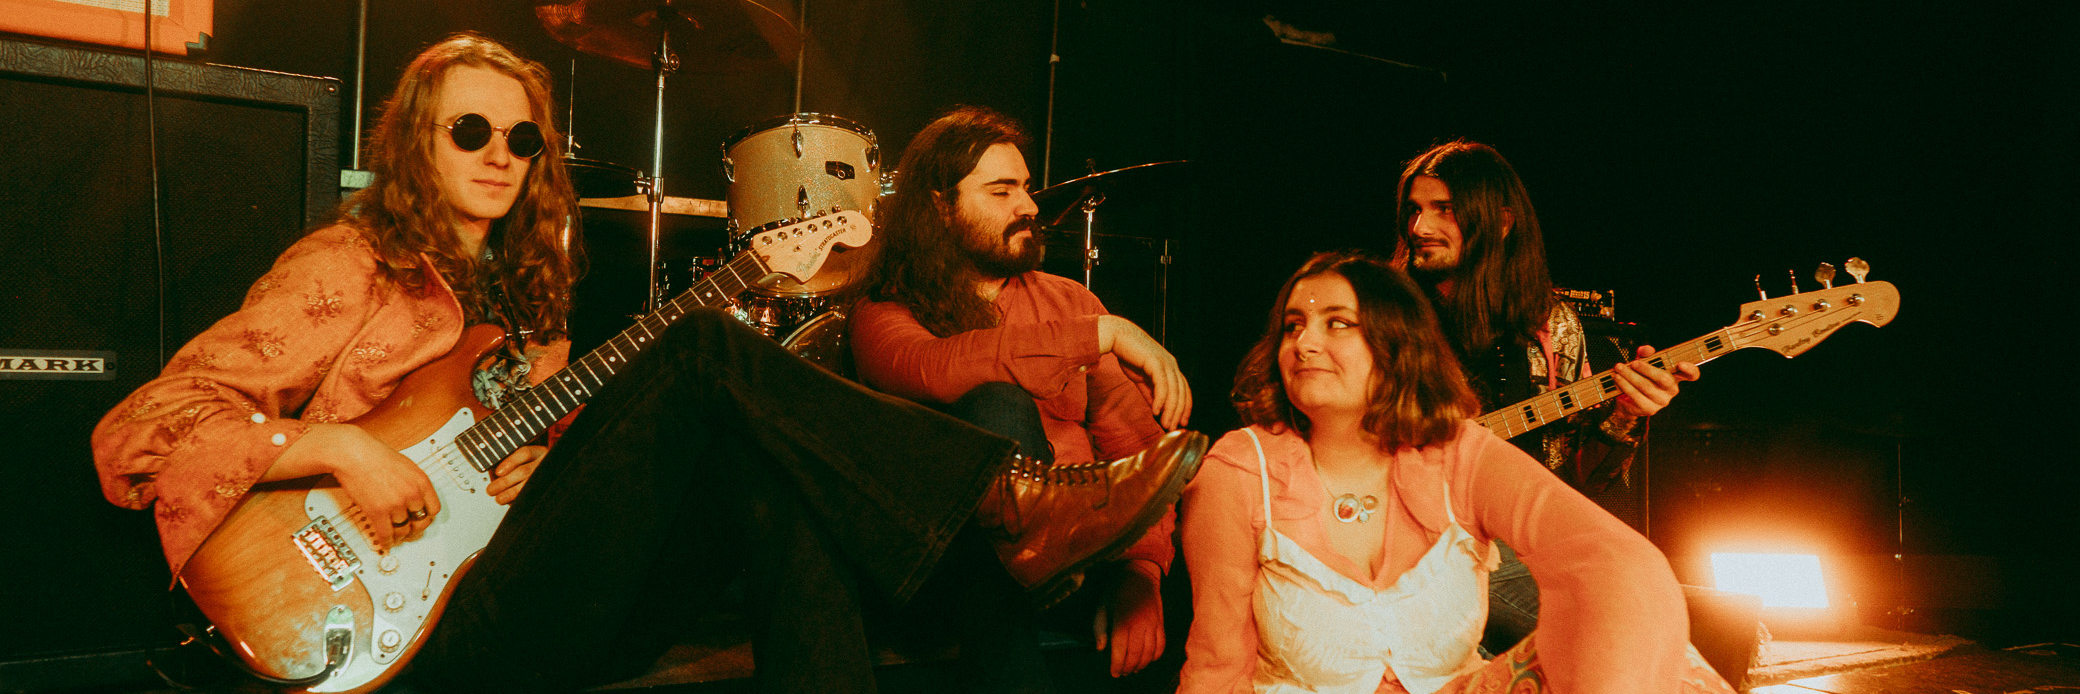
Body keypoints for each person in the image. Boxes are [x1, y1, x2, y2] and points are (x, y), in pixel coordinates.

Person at [89, 33, 1192, 694]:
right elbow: (138, 429)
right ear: (414, 139)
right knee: (707, 350)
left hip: (520, 587)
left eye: (521, 139)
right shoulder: (348, 264)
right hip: (396, 622)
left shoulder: (528, 301)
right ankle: (998, 502)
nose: (500, 158)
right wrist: (335, 446)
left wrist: (556, 448)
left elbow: (564, 487)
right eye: (471, 132)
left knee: (769, 476)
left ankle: (990, 512)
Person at [1177, 251, 1733, 694]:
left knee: (1663, 653)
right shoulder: (1238, 471)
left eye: (1337, 323)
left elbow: (1611, 560)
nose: (1305, 344)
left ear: (1395, 345)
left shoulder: (1461, 452)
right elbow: (1216, 666)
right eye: (1293, 326)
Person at [848, 105, 1203, 684]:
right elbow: (929, 368)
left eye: (1027, 188)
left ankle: (1048, 558)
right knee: (995, 407)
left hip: (1076, 571)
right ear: (940, 206)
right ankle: (1034, 555)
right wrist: (1104, 334)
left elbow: (1137, 453)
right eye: (1002, 190)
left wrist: (1140, 574)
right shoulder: (885, 307)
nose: (1031, 206)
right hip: (939, 573)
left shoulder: (1069, 300)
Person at [1392, 140, 1702, 651]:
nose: (1420, 229)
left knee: (1636, 586)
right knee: (1602, 639)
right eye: (1415, 211)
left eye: (1443, 210)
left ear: (1502, 221)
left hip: (1517, 541)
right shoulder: (1383, 315)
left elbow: (1570, 483)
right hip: (1409, 540)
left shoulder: (1552, 329)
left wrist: (1626, 412)